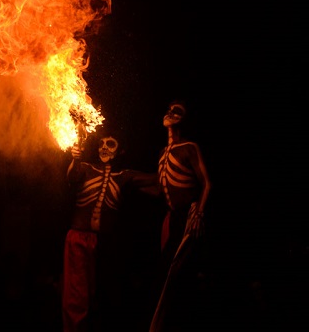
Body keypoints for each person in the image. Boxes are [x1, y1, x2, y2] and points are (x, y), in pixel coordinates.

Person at [62, 126, 156, 332]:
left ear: (121, 151)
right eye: (101, 144)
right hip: (79, 239)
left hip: (106, 243)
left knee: (104, 294)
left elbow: (157, 180)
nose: (104, 148)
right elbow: (72, 177)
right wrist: (75, 159)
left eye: (110, 144)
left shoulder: (125, 176)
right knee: (76, 295)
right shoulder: (85, 168)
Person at [148, 100, 212, 332]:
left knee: (176, 274)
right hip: (171, 217)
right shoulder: (163, 152)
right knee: (166, 273)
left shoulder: (189, 147)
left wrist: (199, 213)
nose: (171, 112)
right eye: (169, 109)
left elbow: (207, 183)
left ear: (184, 119)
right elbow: (158, 187)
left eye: (178, 111)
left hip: (187, 216)